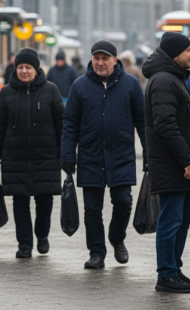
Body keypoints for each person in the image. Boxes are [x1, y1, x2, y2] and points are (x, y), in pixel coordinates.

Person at [62, 40, 147, 269]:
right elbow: (69, 123)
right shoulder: (80, 86)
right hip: (90, 155)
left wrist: (149, 152)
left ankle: (117, 238)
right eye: (96, 58)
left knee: (123, 201)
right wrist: (68, 155)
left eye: (105, 58)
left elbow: (142, 121)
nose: (100, 63)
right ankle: (97, 252)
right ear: (92, 60)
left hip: (122, 155)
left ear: (114, 60)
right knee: (92, 208)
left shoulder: (130, 84)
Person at [142, 32, 190, 293]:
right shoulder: (163, 81)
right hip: (173, 164)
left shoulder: (171, 78)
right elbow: (166, 125)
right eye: (189, 50)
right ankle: (166, 275)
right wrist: (186, 159)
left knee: (183, 218)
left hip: (177, 164)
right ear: (175, 54)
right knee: (171, 220)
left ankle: (174, 268)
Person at [0, 48, 65, 258]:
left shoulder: (51, 90)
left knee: (45, 201)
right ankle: (24, 244)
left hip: (46, 157)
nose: (23, 71)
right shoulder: (7, 93)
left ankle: (42, 235)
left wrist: (65, 154)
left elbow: (61, 125)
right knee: (20, 202)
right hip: (15, 158)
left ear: (36, 69)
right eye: (20, 67)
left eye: (28, 67)